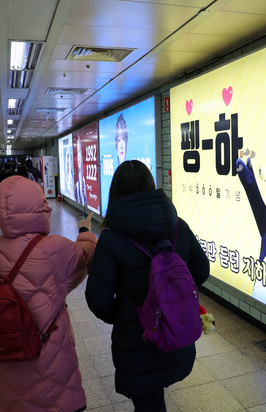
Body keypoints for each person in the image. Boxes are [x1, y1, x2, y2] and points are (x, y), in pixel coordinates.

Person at [85, 160, 209, 412]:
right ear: (151, 185)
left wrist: (125, 315)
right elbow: (201, 270)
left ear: (116, 192)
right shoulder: (178, 226)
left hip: (138, 339)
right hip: (177, 330)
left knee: (148, 402)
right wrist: (175, 297)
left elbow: (98, 299)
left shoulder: (111, 238)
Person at [0, 175, 97, 412]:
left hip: (5, 358)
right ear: (38, 208)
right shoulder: (54, 248)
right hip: (50, 359)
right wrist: (85, 230)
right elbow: (88, 255)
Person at [75, 135, 88, 207]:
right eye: (77, 152)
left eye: (79, 151)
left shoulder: (85, 178)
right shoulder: (77, 183)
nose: (78, 156)